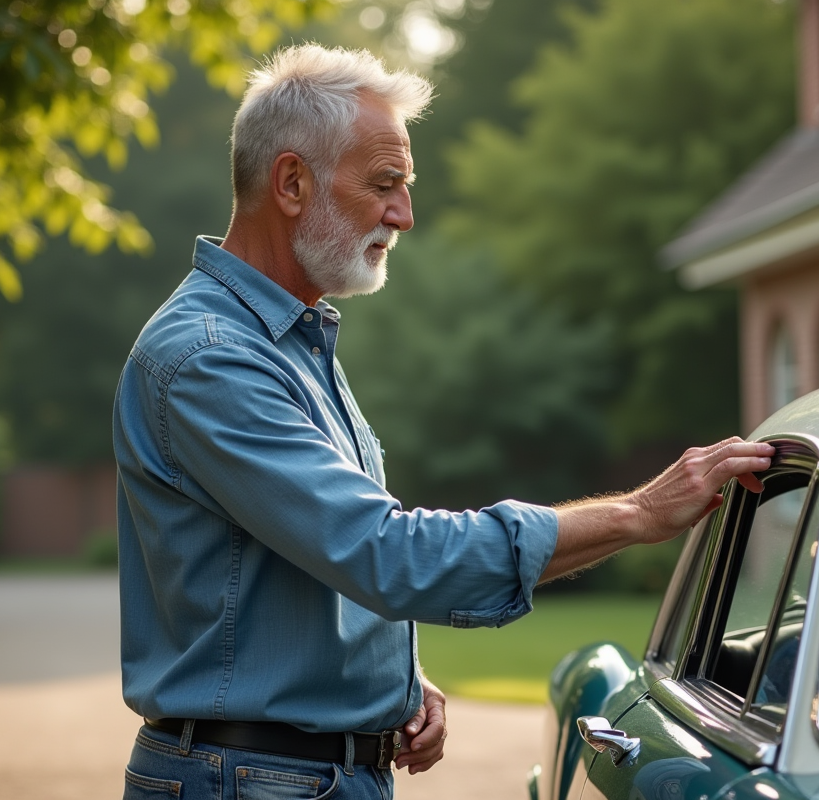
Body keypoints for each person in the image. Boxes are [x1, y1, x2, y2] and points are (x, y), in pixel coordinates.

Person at [112, 43, 773, 800]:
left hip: (286, 773)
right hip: (250, 781)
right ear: (291, 182)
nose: (405, 213)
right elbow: (386, 555)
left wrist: (391, 682)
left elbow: (307, 566)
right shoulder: (211, 359)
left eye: (406, 186)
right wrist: (638, 514)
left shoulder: (287, 340)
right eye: (385, 184)